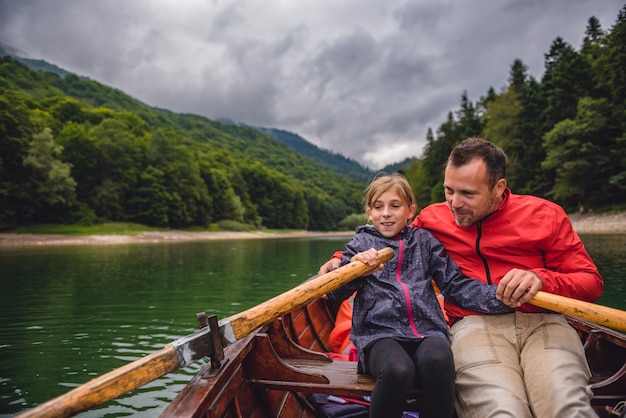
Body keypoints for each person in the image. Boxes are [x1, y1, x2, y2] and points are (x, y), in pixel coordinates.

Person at [320, 137, 604, 418]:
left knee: (567, 408)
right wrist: (340, 260)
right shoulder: (432, 219)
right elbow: (389, 237)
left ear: (498, 188)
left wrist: (542, 279)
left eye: (468, 194)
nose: (454, 203)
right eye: (448, 191)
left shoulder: (546, 215)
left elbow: (591, 283)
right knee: (501, 412)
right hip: (474, 325)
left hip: (545, 321)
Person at [327, 173, 511, 418]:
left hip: (427, 331)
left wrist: (500, 299)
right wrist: (355, 271)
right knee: (397, 370)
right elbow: (335, 293)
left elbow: (455, 285)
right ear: (369, 212)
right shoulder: (360, 245)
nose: (386, 213)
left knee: (439, 361)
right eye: (378, 207)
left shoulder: (425, 242)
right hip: (378, 336)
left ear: (410, 211)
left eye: (395, 206)